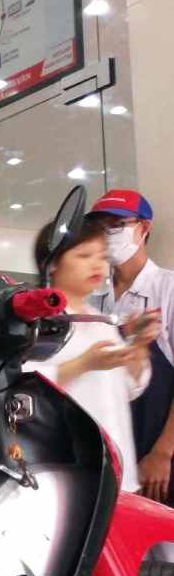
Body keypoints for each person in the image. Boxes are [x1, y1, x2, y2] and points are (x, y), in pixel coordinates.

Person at [27, 215, 155, 494]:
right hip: (68, 471)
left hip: (117, 467)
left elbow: (128, 387)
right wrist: (83, 364)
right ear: (52, 263)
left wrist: (138, 346)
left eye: (102, 256)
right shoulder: (38, 321)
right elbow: (25, 387)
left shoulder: (100, 320)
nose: (98, 265)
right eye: (84, 255)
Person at [86, 190, 174, 503]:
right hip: (109, 454)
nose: (106, 234)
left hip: (157, 457)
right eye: (100, 227)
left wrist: (163, 452)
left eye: (117, 224)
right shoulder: (92, 300)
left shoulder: (168, 288)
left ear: (144, 227)